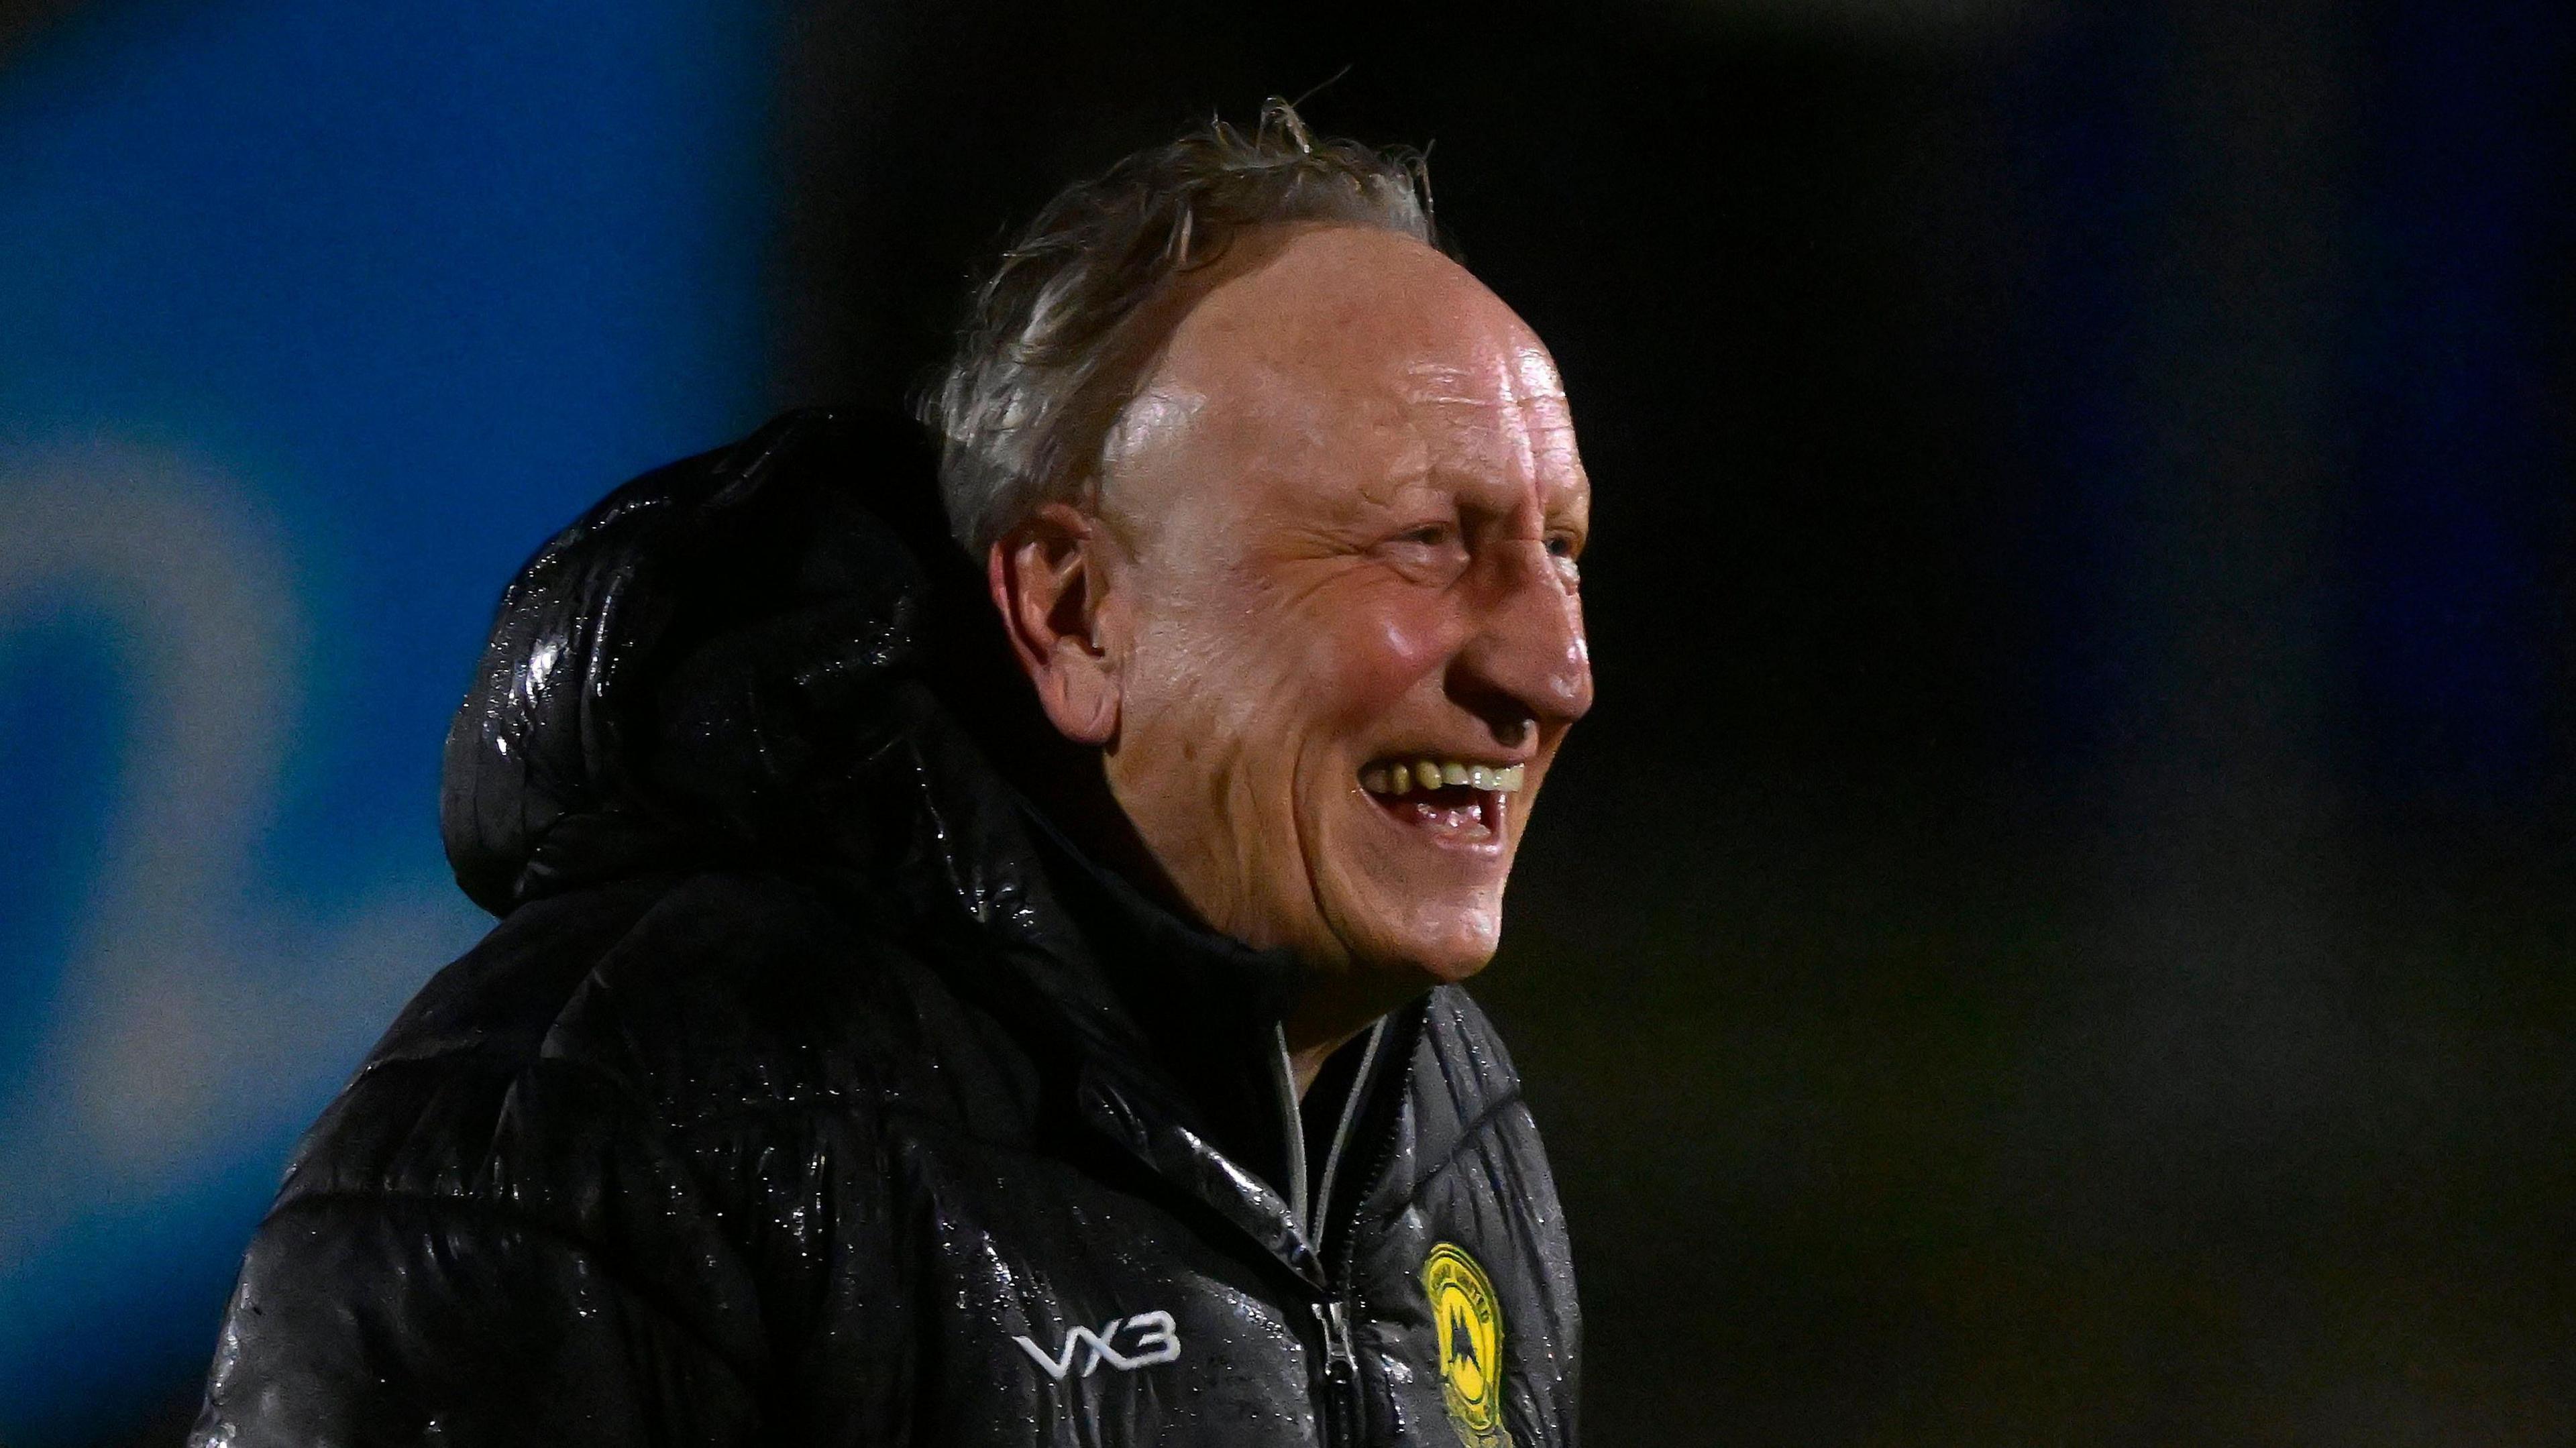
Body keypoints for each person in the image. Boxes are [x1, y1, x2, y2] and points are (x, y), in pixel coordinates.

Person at [191, 101, 1593, 1448]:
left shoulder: (1446, 1115)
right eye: (1421, 542)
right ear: (1075, 613)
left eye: (1563, 552)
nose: (1552, 672)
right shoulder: (600, 1124)